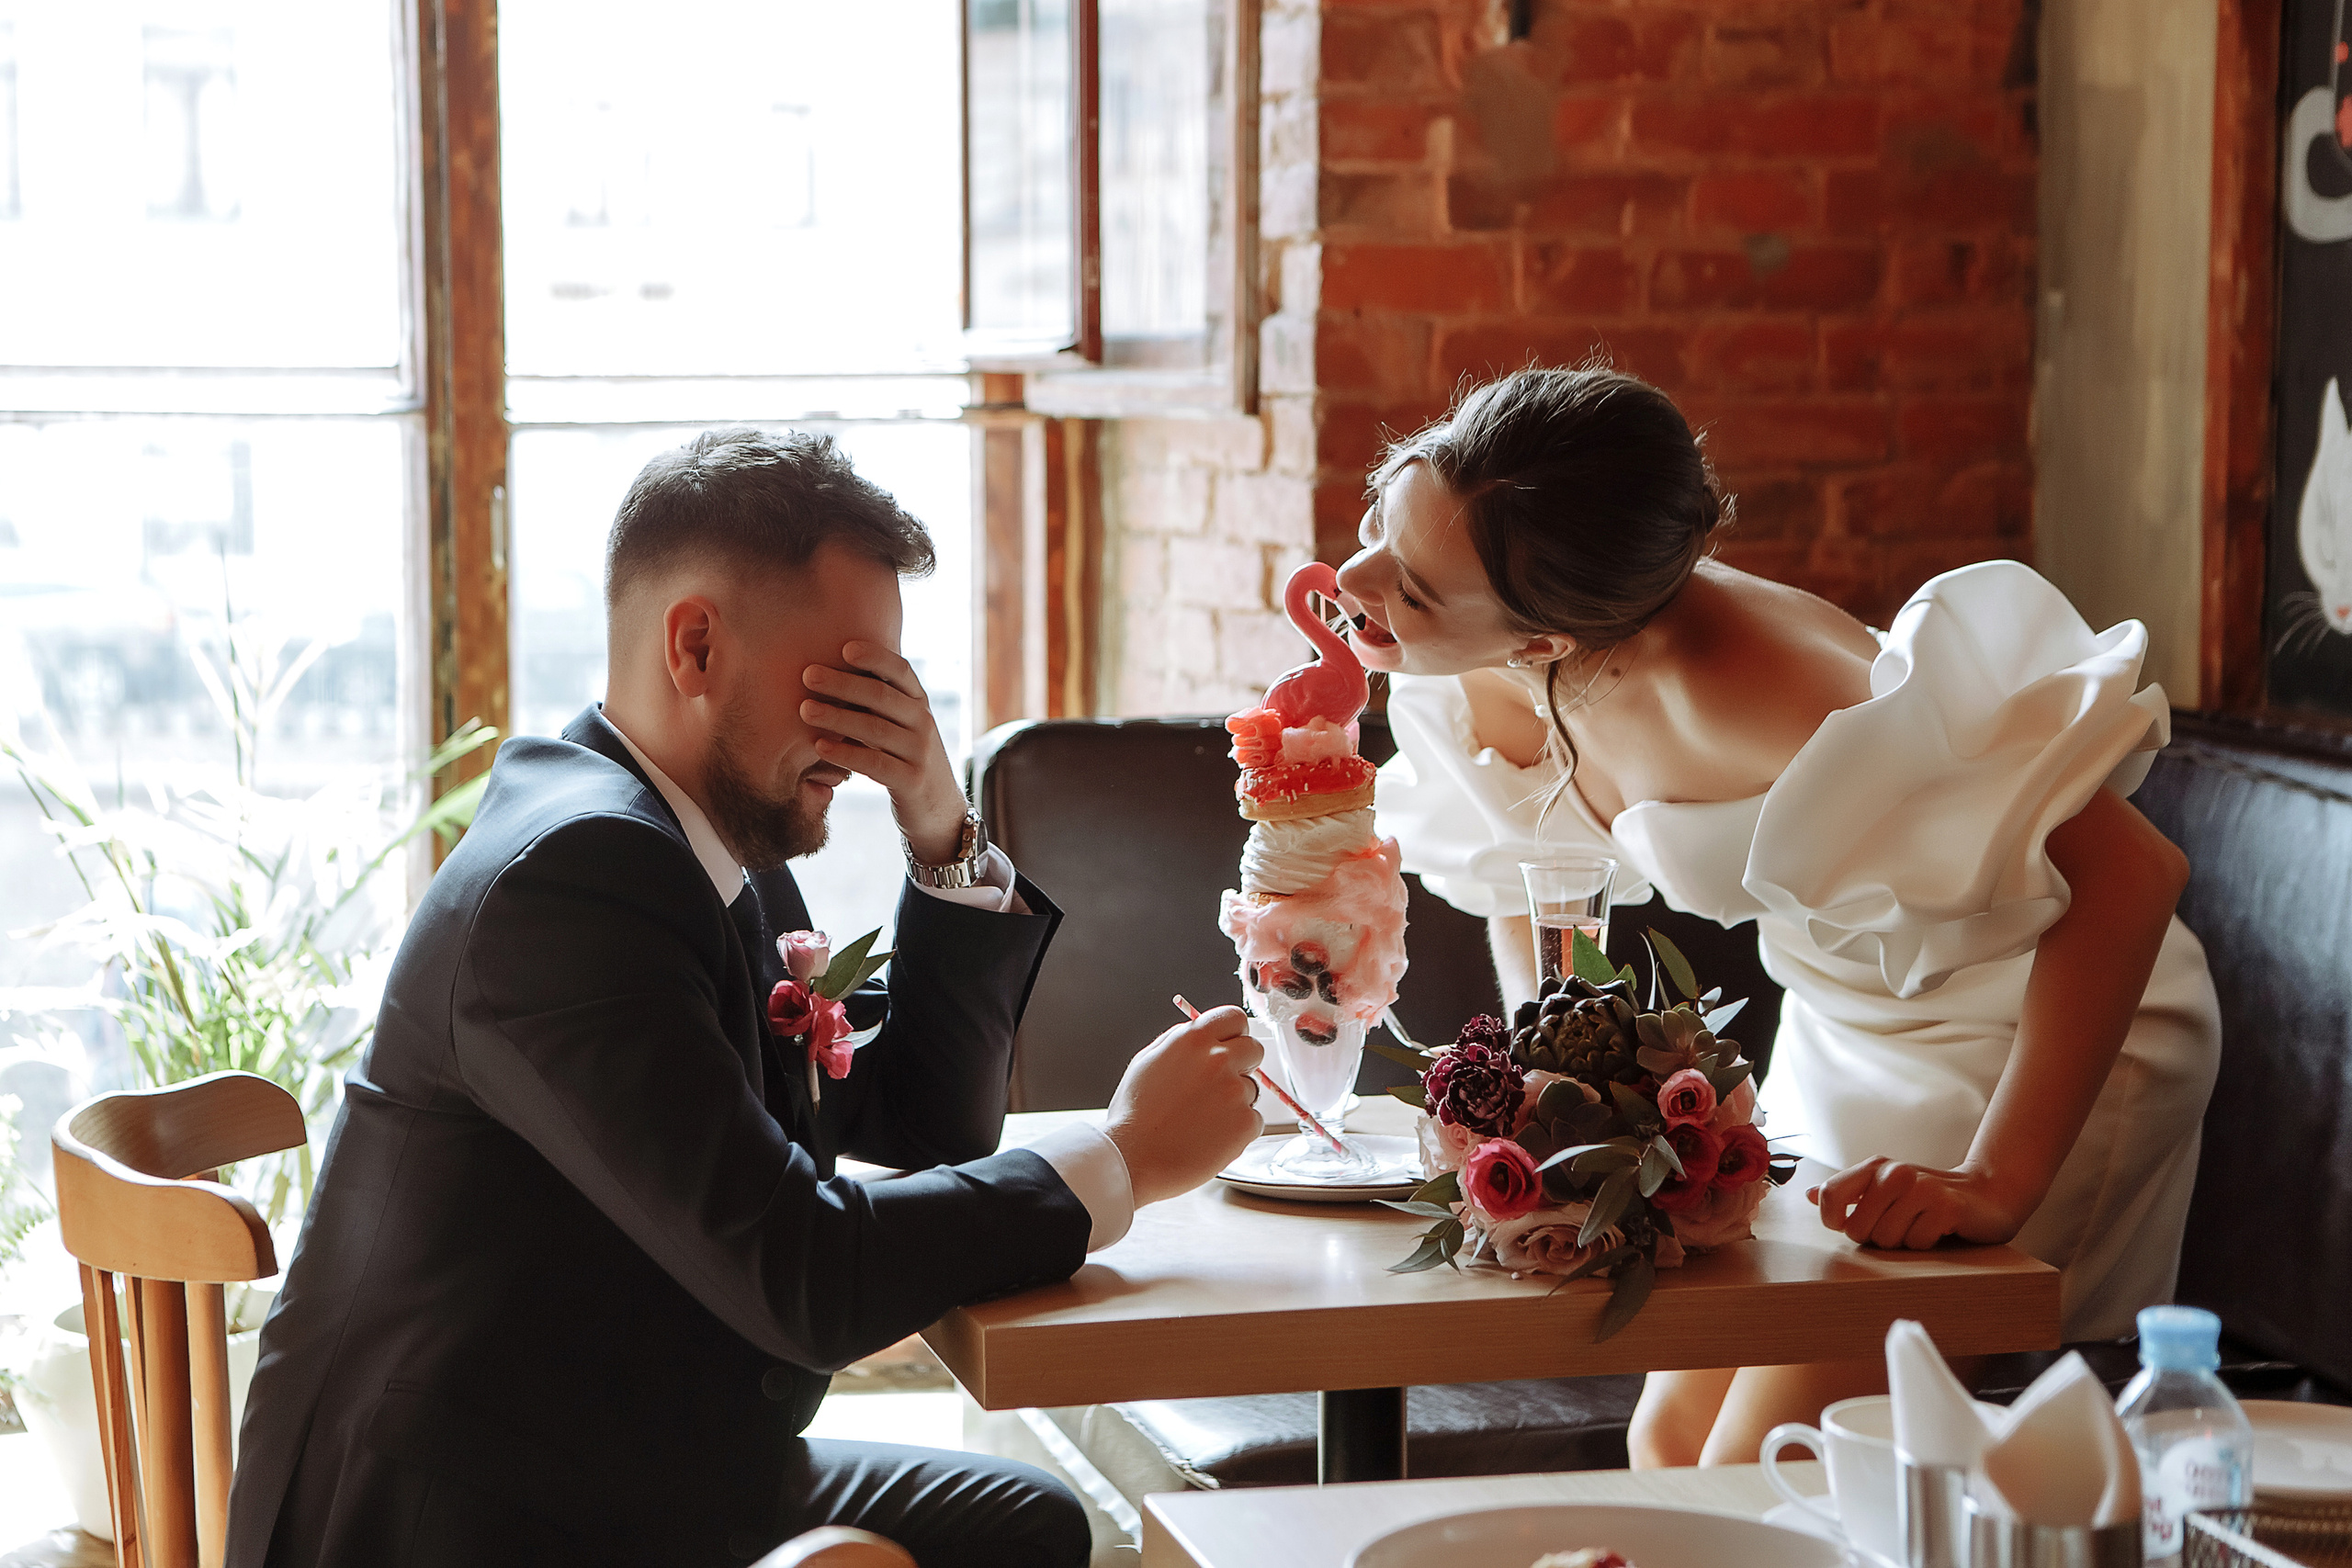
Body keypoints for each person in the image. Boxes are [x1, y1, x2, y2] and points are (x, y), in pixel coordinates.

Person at [225, 427, 1264, 1568]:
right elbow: (803, 1275)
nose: (872, 732)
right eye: (846, 682)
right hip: (475, 1518)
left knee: (1028, 1525)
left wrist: (938, 822)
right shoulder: (573, 883)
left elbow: (922, 1131)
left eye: (892, 688)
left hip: (641, 1458)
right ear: (695, 645)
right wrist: (1122, 1157)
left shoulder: (704, 853)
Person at [1337, 367, 2222, 1468]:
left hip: (2033, 1031)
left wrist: (2001, 1181)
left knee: (1765, 1470)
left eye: (1412, 588)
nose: (1358, 575)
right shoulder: (1488, 656)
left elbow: (2133, 872)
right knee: (1666, 1441)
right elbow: (1545, 879)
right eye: (1382, 516)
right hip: (1842, 1027)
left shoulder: (1765, 682)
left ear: (1544, 644)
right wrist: (1556, 1095)